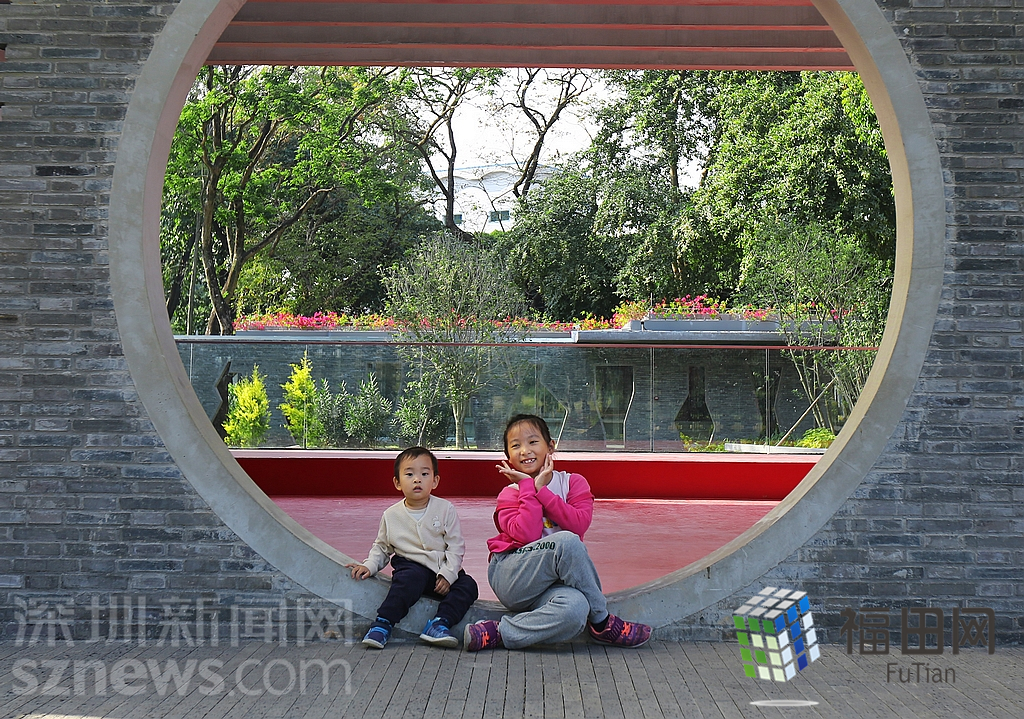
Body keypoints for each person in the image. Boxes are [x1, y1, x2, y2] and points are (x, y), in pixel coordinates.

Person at [463, 414, 652, 651]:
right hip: (512, 575)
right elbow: (528, 536)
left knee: (576, 609)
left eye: (533, 442)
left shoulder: (573, 483)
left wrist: (543, 492)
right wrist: (528, 487)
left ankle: (499, 632)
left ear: (550, 446)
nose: (525, 450)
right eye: (516, 445)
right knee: (566, 542)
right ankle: (602, 622)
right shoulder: (509, 494)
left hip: (552, 586)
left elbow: (579, 525)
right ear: (508, 456)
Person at [346, 446, 478, 649]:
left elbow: (455, 546)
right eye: (409, 474)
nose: (417, 480)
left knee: (468, 586)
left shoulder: (445, 509)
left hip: (441, 570)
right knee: (408, 581)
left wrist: (448, 575)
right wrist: (369, 565)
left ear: (435, 480)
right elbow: (381, 547)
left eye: (424, 474)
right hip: (411, 567)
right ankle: (383, 623)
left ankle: (440, 623)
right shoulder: (391, 515)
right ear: (397, 483)